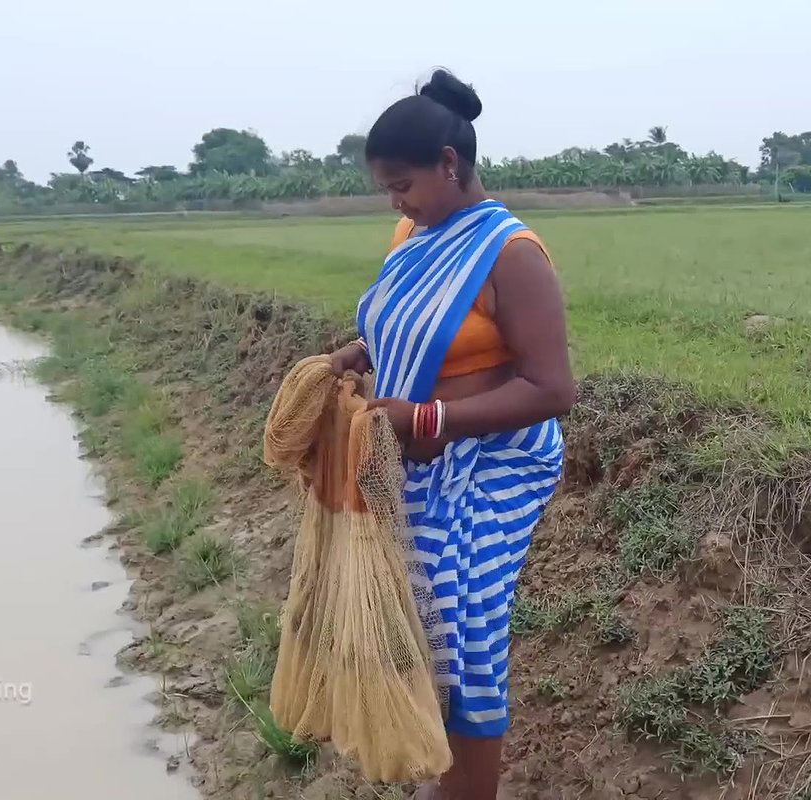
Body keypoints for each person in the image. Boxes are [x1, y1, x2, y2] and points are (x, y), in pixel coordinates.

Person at [329, 68, 576, 800]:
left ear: (448, 163)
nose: (395, 202)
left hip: (492, 469)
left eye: (402, 184)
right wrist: (359, 352)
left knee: (465, 642)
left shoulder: (511, 254)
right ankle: (431, 775)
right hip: (413, 464)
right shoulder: (415, 234)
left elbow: (553, 388)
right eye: (386, 190)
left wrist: (429, 419)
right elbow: (414, 321)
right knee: (413, 629)